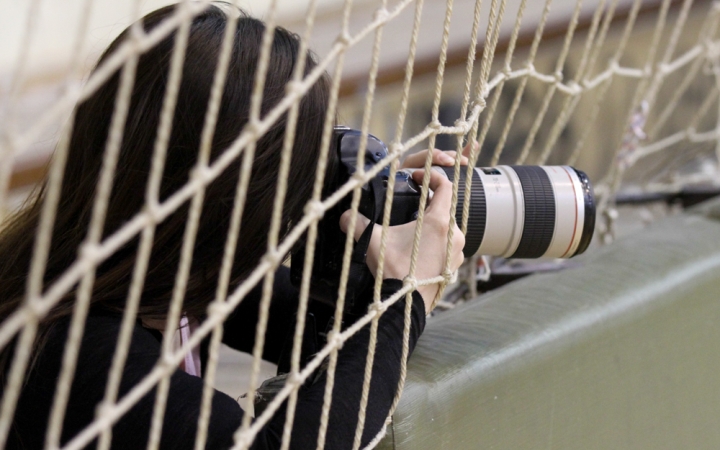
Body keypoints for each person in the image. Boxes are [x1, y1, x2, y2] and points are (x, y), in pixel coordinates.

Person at [0, 4, 466, 449]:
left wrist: (374, 211)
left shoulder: (160, 272)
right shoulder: (72, 346)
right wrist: (408, 293)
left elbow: (310, 330)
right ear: (228, 204)